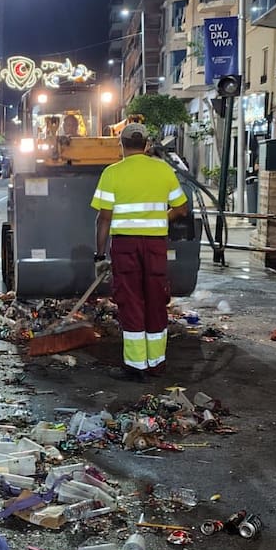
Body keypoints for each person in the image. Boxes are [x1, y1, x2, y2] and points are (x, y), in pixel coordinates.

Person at [91, 123, 190, 380]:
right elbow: (181, 209)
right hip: (155, 246)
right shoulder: (163, 169)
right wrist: (159, 218)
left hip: (125, 247)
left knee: (131, 301)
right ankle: (156, 364)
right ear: (146, 145)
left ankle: (136, 367)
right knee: (156, 300)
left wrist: (100, 256)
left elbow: (103, 219)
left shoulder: (112, 173)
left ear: (121, 144)